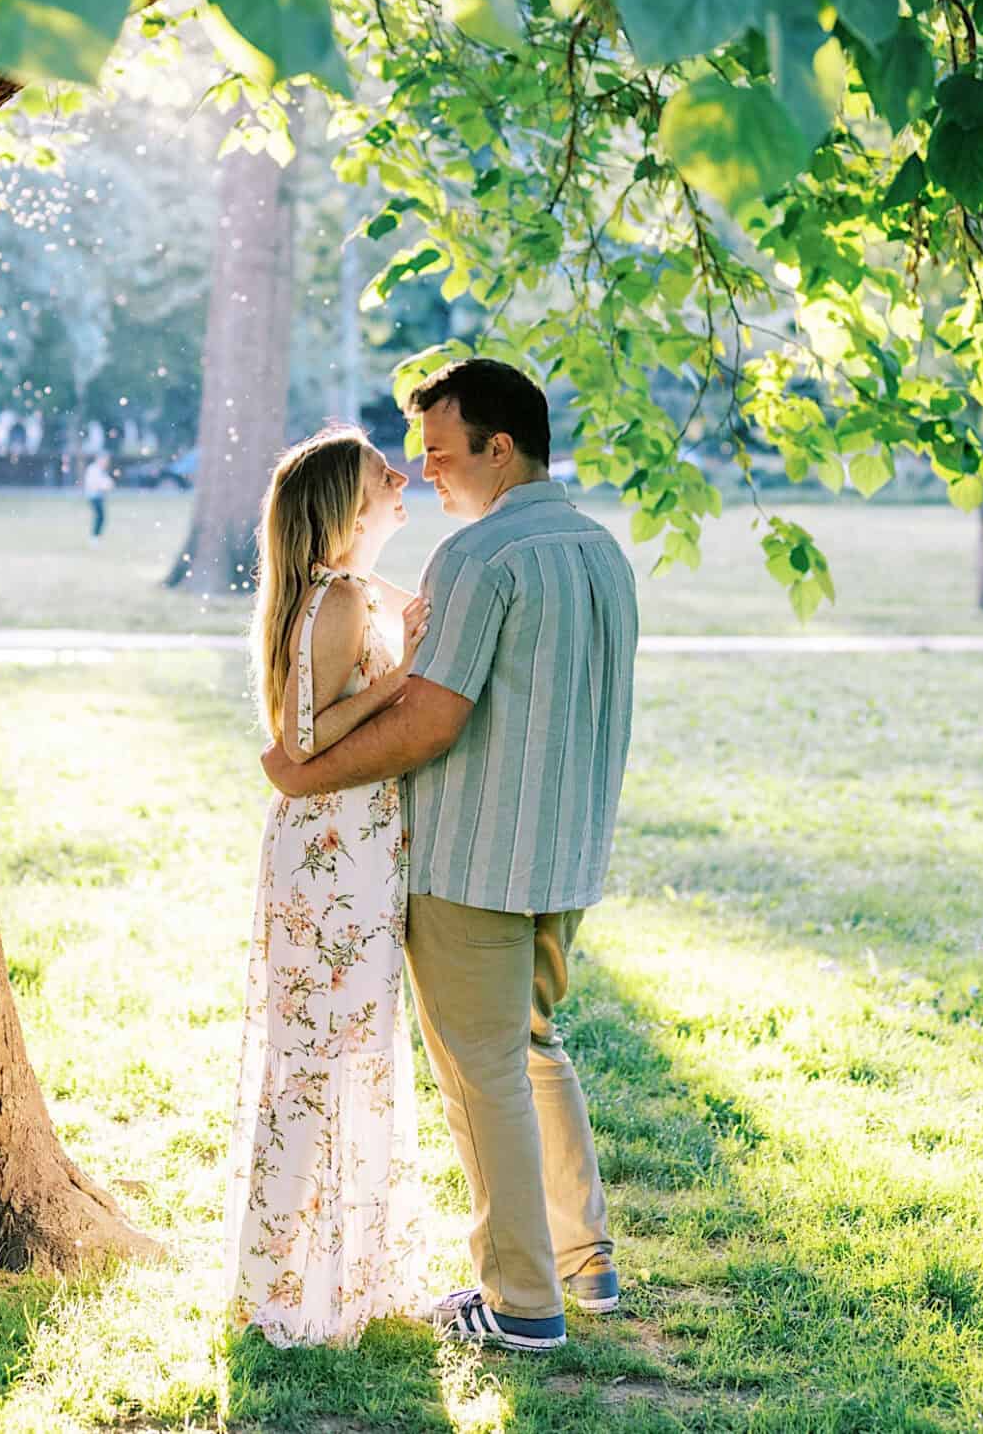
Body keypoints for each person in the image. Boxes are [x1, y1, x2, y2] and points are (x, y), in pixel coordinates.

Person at [261, 359, 638, 1354]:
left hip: (473, 860)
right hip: (566, 852)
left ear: (498, 449)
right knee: (530, 1049)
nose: (424, 471)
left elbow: (431, 720)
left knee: (483, 1076)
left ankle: (520, 1303)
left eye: (438, 451)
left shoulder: (480, 560)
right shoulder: (599, 552)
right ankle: (581, 1261)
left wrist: (308, 774)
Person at [225, 426, 433, 1346]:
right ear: (349, 507)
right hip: (333, 850)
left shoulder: (340, 590)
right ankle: (301, 1285)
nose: (403, 476)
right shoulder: (339, 596)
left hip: (344, 846)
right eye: (382, 473)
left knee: (334, 1051)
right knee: (323, 1056)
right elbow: (303, 741)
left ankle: (335, 1270)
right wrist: (408, 682)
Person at [82, 450, 113, 539]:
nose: (106, 462)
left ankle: (96, 536)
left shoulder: (101, 470)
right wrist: (104, 486)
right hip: (94, 496)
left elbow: (108, 482)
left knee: (101, 517)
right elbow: (93, 483)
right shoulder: (93, 469)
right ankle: (94, 536)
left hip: (99, 496)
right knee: (100, 517)